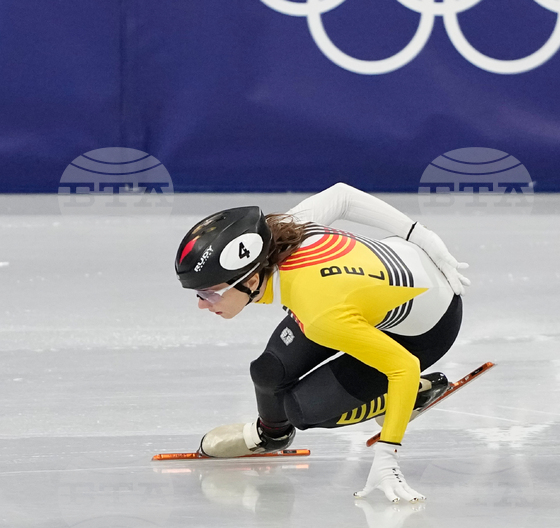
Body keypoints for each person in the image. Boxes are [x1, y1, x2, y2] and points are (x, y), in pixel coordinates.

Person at [174, 183, 470, 502]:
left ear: (251, 280)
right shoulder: (281, 231)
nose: (203, 304)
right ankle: (270, 435)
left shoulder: (320, 314)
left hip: (426, 331)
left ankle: (410, 397)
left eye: (209, 292)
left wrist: (388, 455)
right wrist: (417, 233)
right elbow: (342, 195)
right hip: (365, 292)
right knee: (268, 371)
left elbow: (403, 368)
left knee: (304, 411)